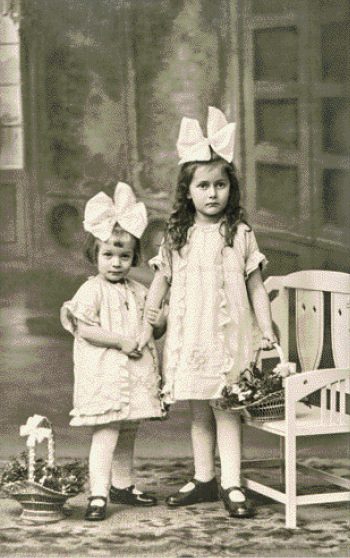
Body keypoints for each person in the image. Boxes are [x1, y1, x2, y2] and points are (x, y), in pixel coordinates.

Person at [139, 107, 277, 519]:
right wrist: (148, 327)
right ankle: (204, 478)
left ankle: (231, 482)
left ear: (230, 189)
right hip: (191, 334)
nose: (213, 193)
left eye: (220, 185)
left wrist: (267, 331)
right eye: (204, 185)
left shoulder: (239, 234)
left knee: (227, 410)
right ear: (188, 191)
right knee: (199, 409)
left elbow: (256, 287)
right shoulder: (176, 236)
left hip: (230, 335)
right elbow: (159, 285)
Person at [60, 182, 166, 521]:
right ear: (95, 255)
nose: (116, 263)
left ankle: (122, 485)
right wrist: (120, 341)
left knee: (129, 429)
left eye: (124, 256)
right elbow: (84, 327)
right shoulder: (91, 290)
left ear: (134, 257)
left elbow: (153, 328)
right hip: (105, 373)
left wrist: (159, 322)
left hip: (134, 374)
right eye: (108, 255)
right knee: (106, 431)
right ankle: (98, 492)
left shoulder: (140, 290)